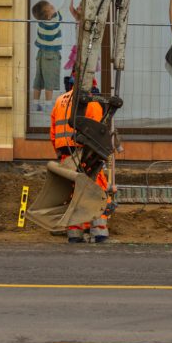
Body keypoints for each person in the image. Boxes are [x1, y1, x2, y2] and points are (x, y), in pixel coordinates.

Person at [49, 77, 111, 243]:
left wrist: (61, 155)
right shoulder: (91, 103)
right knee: (96, 190)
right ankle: (99, 231)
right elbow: (97, 133)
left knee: (73, 191)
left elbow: (53, 133)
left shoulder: (60, 100)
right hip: (86, 155)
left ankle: (75, 233)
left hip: (66, 155)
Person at [31, 0, 63, 112]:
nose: (52, 6)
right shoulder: (55, 21)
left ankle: (36, 103)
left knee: (39, 79)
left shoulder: (41, 20)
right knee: (49, 80)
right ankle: (49, 105)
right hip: (52, 54)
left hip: (41, 53)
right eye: (50, 7)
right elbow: (66, 6)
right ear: (49, 14)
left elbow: (41, 1)